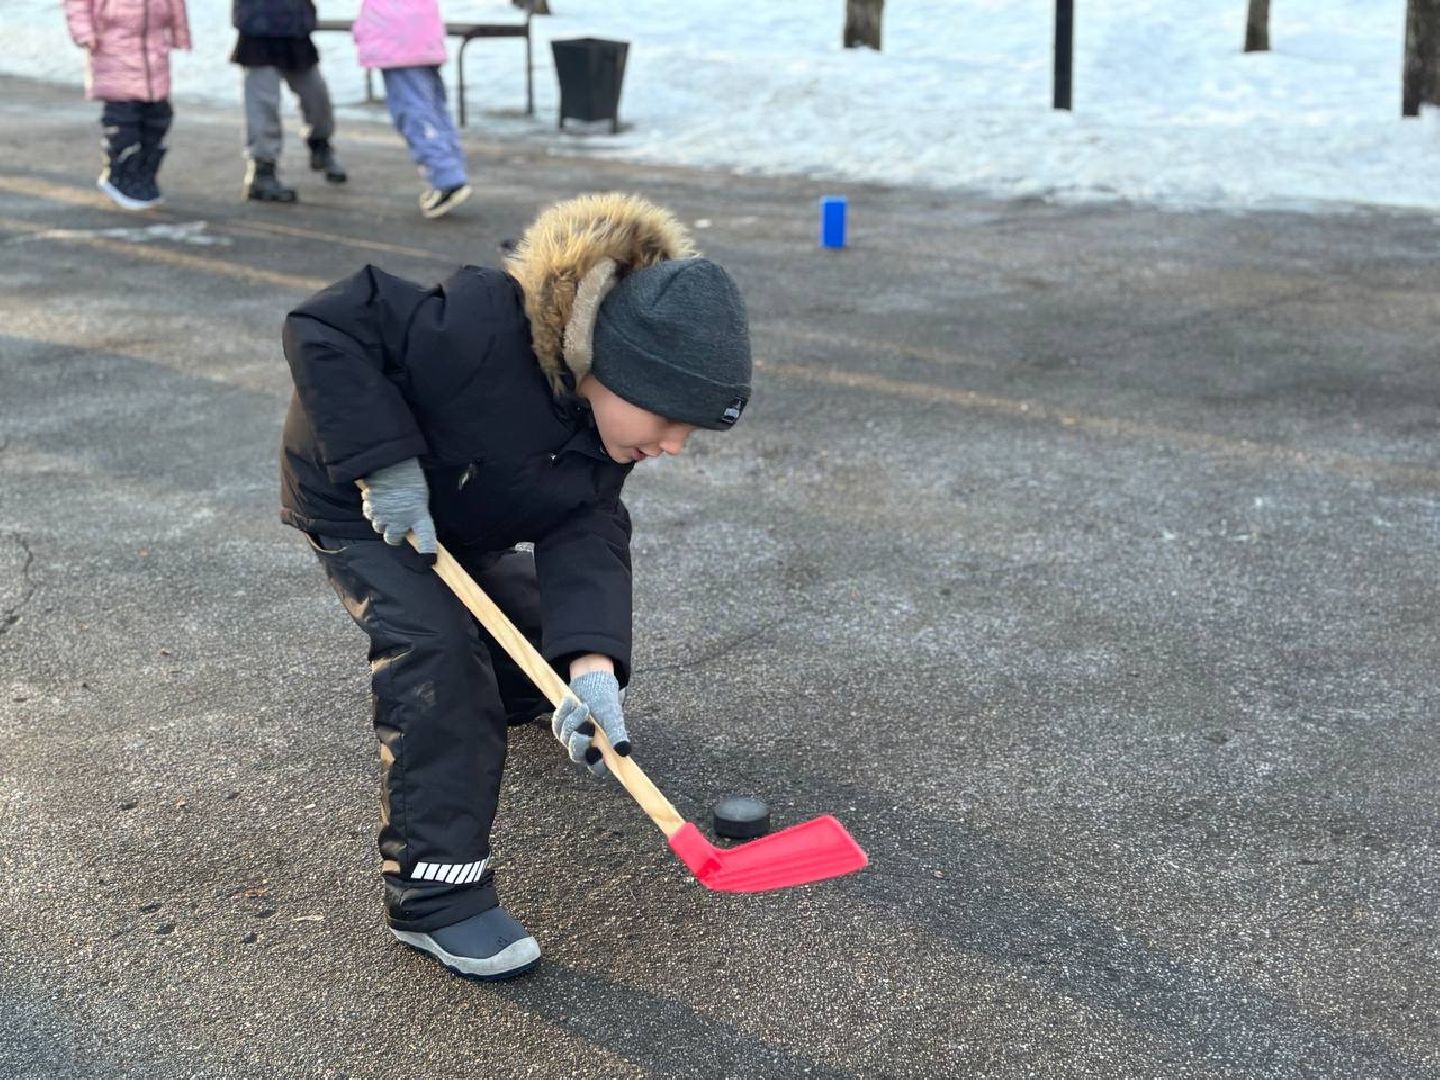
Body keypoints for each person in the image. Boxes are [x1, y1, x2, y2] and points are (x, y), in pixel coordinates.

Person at [279, 192, 752, 981]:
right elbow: (327, 322)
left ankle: (523, 692)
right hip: (363, 494)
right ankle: (436, 894)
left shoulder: (606, 431)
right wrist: (382, 465)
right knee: (438, 650)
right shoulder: (476, 327)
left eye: (690, 433)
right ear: (610, 367)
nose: (673, 446)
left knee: (534, 627)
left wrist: (592, 673)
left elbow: (586, 531)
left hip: (463, 508)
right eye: (669, 420)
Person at [64, 0, 192, 211]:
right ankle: (121, 174)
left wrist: (180, 32)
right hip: (112, 44)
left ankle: (145, 174)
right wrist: (84, 32)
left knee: (159, 116)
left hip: (154, 45)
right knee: (124, 117)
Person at [353, 0, 472, 219]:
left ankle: (445, 176)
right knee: (433, 109)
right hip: (423, 32)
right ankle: (451, 168)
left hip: (396, 36)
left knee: (412, 112)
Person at [231, 0, 347, 202]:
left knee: (317, 97)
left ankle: (320, 145)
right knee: (263, 105)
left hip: (295, 28)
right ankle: (262, 171)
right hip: (257, 31)